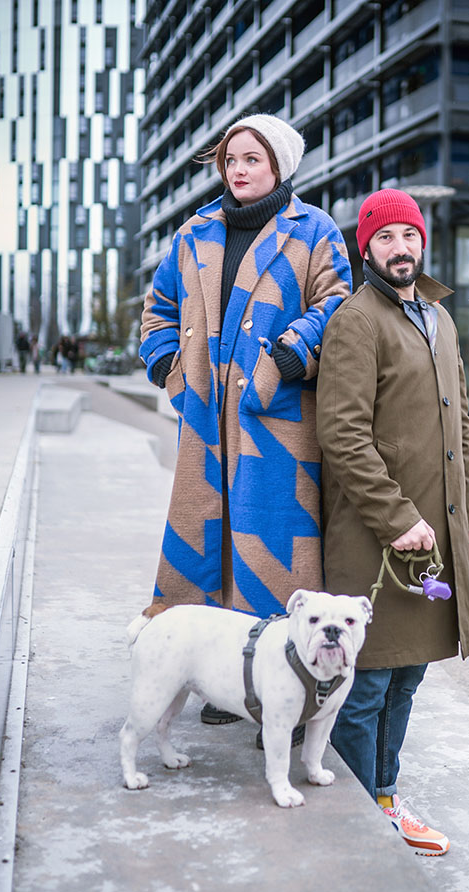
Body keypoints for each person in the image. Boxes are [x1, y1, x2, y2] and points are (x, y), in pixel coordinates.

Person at [139, 114, 352, 735]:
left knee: (269, 547)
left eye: (251, 159)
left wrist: (294, 349)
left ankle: (275, 689)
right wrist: (166, 367)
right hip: (205, 418)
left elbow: (336, 301)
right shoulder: (195, 233)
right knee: (206, 542)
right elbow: (157, 309)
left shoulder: (314, 230)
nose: (237, 170)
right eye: (230, 160)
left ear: (280, 165)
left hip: (276, 421)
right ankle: (209, 674)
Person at [316, 188, 469, 857]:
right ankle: (359, 817)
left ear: (423, 242)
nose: (401, 248)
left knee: (409, 674)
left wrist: (461, 511)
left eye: (409, 235)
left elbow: (460, 422)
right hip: (375, 538)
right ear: (367, 247)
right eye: (385, 238)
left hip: (433, 538)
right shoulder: (358, 320)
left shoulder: (439, 317)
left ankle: (381, 796)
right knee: (369, 680)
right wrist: (397, 519)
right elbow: (343, 435)